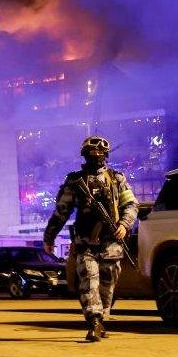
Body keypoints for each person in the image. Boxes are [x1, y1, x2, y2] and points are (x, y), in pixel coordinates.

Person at [43, 135, 139, 342]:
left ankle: (102, 318)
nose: (96, 156)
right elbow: (61, 212)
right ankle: (94, 321)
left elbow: (131, 205)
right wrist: (49, 237)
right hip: (86, 243)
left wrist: (124, 224)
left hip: (112, 243)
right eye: (92, 152)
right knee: (88, 282)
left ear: (106, 155)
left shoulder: (117, 179)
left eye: (100, 152)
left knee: (107, 285)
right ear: (85, 155)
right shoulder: (76, 182)